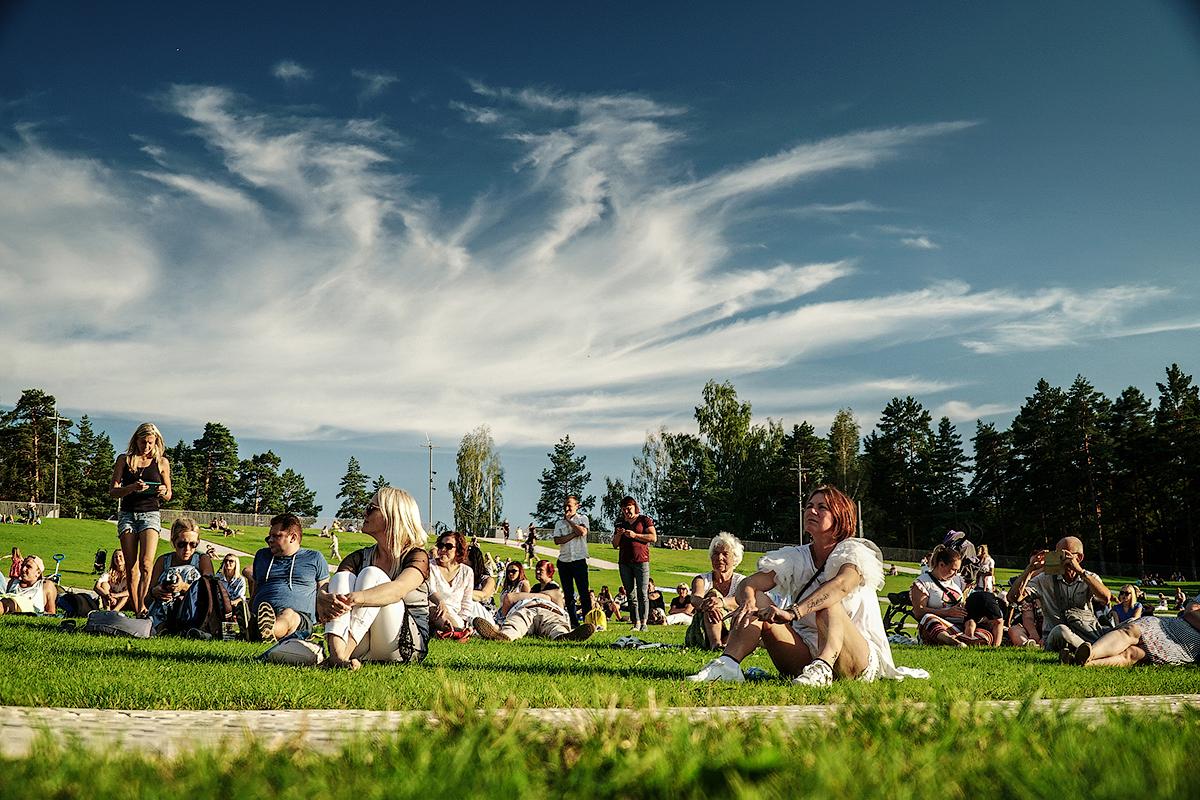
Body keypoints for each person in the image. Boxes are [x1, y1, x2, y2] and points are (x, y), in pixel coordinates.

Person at [688, 486, 927, 685]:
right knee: (758, 600)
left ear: (840, 516)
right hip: (802, 654)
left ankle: (823, 667)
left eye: (822, 507)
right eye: (809, 506)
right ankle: (729, 664)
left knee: (828, 603)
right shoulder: (795, 556)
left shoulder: (854, 552)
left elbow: (841, 585)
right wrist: (748, 598)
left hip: (852, 655)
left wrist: (795, 612)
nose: (811, 510)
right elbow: (750, 583)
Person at [318, 488, 430, 669]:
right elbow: (334, 584)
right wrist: (322, 596)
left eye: (371, 508)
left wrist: (356, 598)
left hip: (402, 643)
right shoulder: (358, 557)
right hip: (363, 642)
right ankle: (338, 655)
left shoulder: (417, 556)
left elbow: (398, 589)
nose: (365, 512)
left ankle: (338, 656)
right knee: (342, 577)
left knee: (372, 574)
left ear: (391, 515)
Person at [1007, 536, 1112, 654]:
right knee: (1061, 630)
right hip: (1056, 636)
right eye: (1056, 555)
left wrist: (1080, 572)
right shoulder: (1044, 579)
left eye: (1064, 555)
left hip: (1087, 633)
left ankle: (1087, 650)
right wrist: (1030, 569)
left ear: (1079, 557)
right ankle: (1091, 652)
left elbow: (1106, 598)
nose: (1059, 559)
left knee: (1130, 625)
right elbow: (1013, 598)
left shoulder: (1089, 577)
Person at [109, 422, 173, 615]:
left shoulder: (162, 462)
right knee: (131, 566)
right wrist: (131, 488)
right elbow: (113, 491)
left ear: (156, 443)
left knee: (146, 563)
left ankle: (143, 604)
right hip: (128, 513)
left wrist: (162, 491)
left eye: (150, 443)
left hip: (150, 513)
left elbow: (169, 493)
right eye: (143, 442)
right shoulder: (124, 460)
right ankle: (138, 608)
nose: (146, 447)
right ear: (136, 440)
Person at [251, 512, 330, 644]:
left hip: (299, 617)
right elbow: (256, 588)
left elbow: (323, 590)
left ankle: (269, 631)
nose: (270, 540)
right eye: (268, 537)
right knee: (257, 615)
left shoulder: (314, 558)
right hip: (262, 611)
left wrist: (324, 617)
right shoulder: (262, 556)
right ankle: (255, 625)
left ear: (293, 537)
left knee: (288, 615)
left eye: (276, 536)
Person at [472, 559, 594, 643]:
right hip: (527, 609)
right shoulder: (536, 588)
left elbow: (556, 597)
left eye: (541, 570)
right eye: (537, 569)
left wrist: (528, 597)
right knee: (516, 623)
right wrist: (541, 596)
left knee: (555, 625)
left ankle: (564, 636)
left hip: (548, 610)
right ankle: (502, 636)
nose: (537, 572)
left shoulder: (554, 587)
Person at [1069, 593, 1200, 667]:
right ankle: (1090, 654)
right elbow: (1190, 612)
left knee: (1133, 654)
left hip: (1187, 644)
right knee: (1131, 630)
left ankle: (1083, 663)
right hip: (1172, 624)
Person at [910, 545, 993, 647]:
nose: (956, 573)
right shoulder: (923, 583)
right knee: (929, 619)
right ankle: (952, 641)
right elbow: (919, 612)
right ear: (941, 565)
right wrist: (947, 612)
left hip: (960, 625)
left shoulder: (958, 580)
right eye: (953, 569)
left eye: (957, 570)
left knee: (985, 631)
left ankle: (963, 639)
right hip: (938, 626)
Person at [145, 517, 214, 633]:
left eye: (193, 544)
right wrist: (155, 592)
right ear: (173, 542)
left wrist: (184, 587)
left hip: (192, 610)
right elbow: (146, 599)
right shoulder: (163, 561)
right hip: (162, 610)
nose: (187, 549)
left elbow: (210, 593)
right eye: (182, 544)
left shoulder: (202, 560)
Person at [686, 532, 747, 649]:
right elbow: (695, 598)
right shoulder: (701, 580)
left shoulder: (742, 582)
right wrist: (709, 604)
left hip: (733, 627)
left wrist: (721, 602)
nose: (720, 558)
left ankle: (726, 643)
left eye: (725, 554)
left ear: (734, 558)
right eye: (716, 554)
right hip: (702, 630)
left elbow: (743, 600)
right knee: (711, 598)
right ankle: (716, 644)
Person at [613, 496, 656, 631]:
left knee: (642, 592)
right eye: (624, 509)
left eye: (629, 508)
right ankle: (635, 622)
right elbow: (615, 544)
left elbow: (653, 537)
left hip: (641, 560)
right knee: (630, 593)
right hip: (624, 562)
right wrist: (619, 535)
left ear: (634, 507)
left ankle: (644, 622)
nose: (627, 511)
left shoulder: (644, 520)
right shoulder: (620, 523)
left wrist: (635, 535)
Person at [551, 494, 592, 628]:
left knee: (584, 592)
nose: (567, 508)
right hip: (564, 561)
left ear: (577, 506)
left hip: (579, 559)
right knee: (568, 594)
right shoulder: (558, 523)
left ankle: (588, 622)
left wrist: (570, 522)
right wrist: (574, 533)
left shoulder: (583, 518)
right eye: (565, 506)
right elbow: (557, 540)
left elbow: (582, 532)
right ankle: (573, 623)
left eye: (569, 505)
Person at [429, 530, 475, 635]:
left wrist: (463, 619)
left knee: (456, 621)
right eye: (441, 546)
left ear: (458, 550)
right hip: (434, 609)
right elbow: (430, 590)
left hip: (455, 614)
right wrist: (440, 602)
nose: (443, 549)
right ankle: (457, 631)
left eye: (449, 546)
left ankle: (454, 630)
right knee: (438, 613)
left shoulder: (467, 572)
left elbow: (466, 602)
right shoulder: (430, 567)